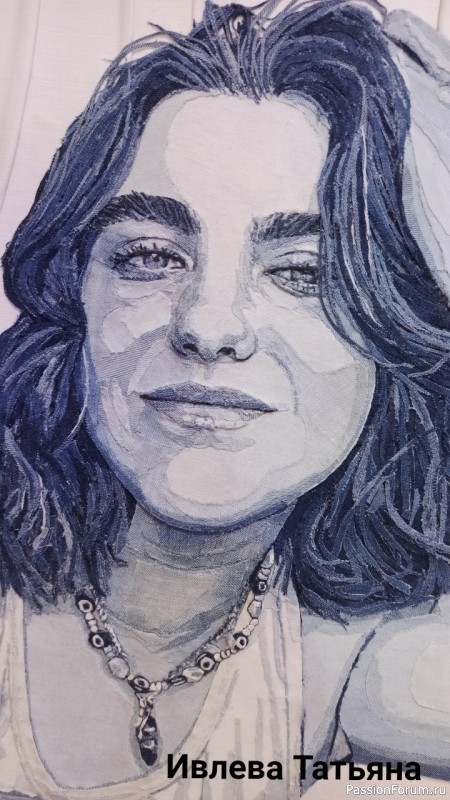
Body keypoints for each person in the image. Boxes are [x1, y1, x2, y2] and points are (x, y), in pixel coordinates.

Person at [0, 0, 449, 797]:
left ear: (397, 332)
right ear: (73, 296)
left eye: (303, 272)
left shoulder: (377, 671)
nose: (209, 326)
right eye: (150, 256)